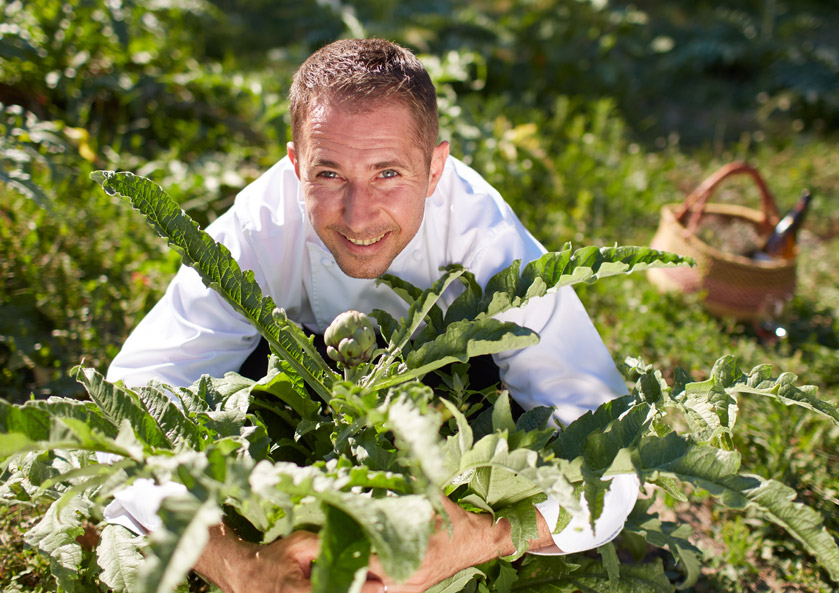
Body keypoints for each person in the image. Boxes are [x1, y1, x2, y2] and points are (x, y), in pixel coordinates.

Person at [105, 38, 639, 593]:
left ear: (435, 168)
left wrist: (481, 538)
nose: (358, 217)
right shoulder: (254, 235)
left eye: (388, 174)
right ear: (295, 166)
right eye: (330, 175)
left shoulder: (491, 246)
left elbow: (609, 458)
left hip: (457, 407)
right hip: (292, 401)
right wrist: (234, 560)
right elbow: (130, 405)